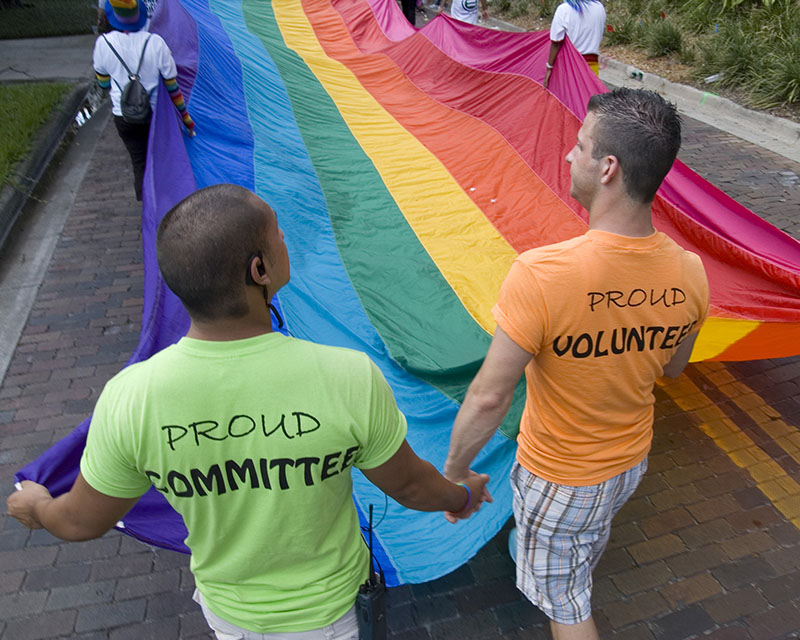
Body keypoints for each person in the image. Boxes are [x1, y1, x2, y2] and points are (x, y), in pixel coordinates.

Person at [6, 184, 490, 640]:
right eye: (278, 233)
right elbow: (409, 486)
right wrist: (462, 496)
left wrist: (37, 506)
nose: (285, 240)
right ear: (259, 270)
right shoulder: (347, 376)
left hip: (230, 618)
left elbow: (80, 522)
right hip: (332, 618)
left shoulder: (132, 397)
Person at [443, 88, 709, 640]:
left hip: (562, 476)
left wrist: (455, 474)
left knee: (567, 604)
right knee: (576, 559)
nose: (569, 155)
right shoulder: (690, 272)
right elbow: (674, 368)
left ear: (608, 168)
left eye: (581, 146)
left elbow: (489, 396)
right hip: (628, 461)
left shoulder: (543, 275)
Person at [93, 0, 195, 201]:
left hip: (123, 117)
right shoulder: (155, 43)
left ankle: (148, 209)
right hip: (155, 116)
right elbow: (173, 88)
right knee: (162, 162)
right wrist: (186, 119)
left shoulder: (103, 44)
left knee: (139, 163)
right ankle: (168, 205)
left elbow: (103, 85)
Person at [543, 0, 606, 90]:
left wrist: (549, 67)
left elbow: (556, 42)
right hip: (592, 67)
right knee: (589, 99)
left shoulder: (564, 9)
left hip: (569, 68)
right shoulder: (599, 8)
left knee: (568, 101)